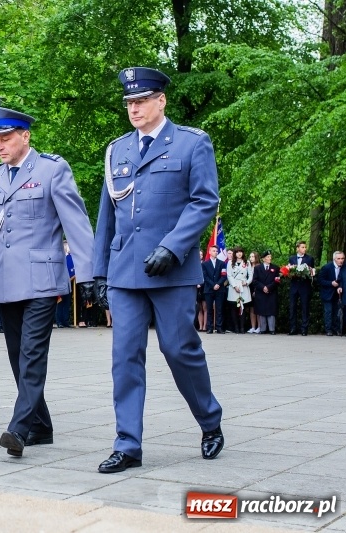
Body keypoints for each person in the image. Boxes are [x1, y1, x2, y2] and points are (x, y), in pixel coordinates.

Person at [92, 67, 224, 473]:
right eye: (130, 102)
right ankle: (128, 443)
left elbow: (205, 201)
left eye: (142, 100)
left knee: (179, 349)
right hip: (125, 272)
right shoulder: (118, 150)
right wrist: (99, 272)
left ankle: (209, 421)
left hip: (172, 270)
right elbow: (106, 215)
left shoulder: (191, 144)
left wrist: (173, 246)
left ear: (161, 101)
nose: (134, 108)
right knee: (125, 356)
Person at [0, 106, 95, 457]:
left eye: (6, 138)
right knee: (15, 357)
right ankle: (41, 426)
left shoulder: (52, 170)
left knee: (32, 355)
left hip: (42, 279)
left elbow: (77, 224)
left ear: (26, 135)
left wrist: (87, 275)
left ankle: (19, 428)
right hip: (6, 280)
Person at [288, 241, 314, 336]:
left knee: (305, 308)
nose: (304, 249)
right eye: (302, 247)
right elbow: (289, 271)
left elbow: (312, 271)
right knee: (292, 307)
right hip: (294, 286)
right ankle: (292, 328)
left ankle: (304, 329)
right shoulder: (292, 258)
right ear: (298, 248)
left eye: (305, 247)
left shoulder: (310, 258)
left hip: (304, 286)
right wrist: (291, 273)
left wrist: (308, 272)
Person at [252, 251, 279, 334]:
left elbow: (277, 281)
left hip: (271, 292)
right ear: (263, 259)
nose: (269, 258)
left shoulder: (275, 268)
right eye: (267, 257)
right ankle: (263, 329)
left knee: (271, 311)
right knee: (261, 310)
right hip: (261, 292)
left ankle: (272, 329)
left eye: (270, 256)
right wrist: (263, 287)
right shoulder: (257, 268)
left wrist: (269, 287)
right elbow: (255, 281)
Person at [202, 245, 227, 334]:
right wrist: (213, 285)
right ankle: (210, 327)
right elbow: (205, 276)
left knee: (219, 309)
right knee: (209, 309)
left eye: (216, 251)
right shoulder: (204, 264)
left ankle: (219, 327)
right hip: (209, 289)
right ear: (209, 252)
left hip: (220, 289)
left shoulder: (222, 263)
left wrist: (218, 284)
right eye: (213, 251)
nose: (215, 252)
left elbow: (224, 275)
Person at [226, 247, 253, 334]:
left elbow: (251, 275)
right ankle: (236, 327)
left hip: (243, 287)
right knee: (234, 307)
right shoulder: (230, 262)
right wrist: (234, 286)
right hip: (234, 287)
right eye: (237, 252)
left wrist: (247, 282)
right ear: (235, 254)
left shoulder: (247, 262)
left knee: (242, 307)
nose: (239, 254)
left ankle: (242, 327)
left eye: (241, 252)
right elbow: (229, 275)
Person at [318, 251, 344, 336]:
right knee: (328, 312)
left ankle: (336, 329)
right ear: (334, 259)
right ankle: (328, 330)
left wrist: (340, 286)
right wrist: (331, 283)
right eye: (338, 258)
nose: (341, 260)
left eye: (342, 258)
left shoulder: (344, 268)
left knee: (336, 312)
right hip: (327, 293)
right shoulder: (327, 267)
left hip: (338, 294)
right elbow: (320, 280)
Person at [247, 251, 261, 333]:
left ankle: (259, 327)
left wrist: (256, 290)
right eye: (250, 256)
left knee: (257, 308)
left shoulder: (259, 267)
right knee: (251, 308)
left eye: (253, 256)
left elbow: (258, 280)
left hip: (256, 289)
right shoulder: (248, 266)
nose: (251, 258)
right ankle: (253, 326)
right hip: (249, 288)